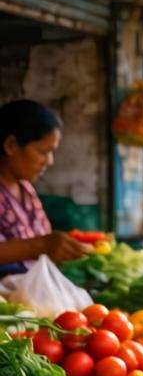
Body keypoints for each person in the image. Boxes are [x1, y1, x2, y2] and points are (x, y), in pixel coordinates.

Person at [0, 99, 86, 275]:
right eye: (43, 152)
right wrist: (40, 245)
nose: (50, 161)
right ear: (11, 145)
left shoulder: (25, 188)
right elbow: (39, 244)